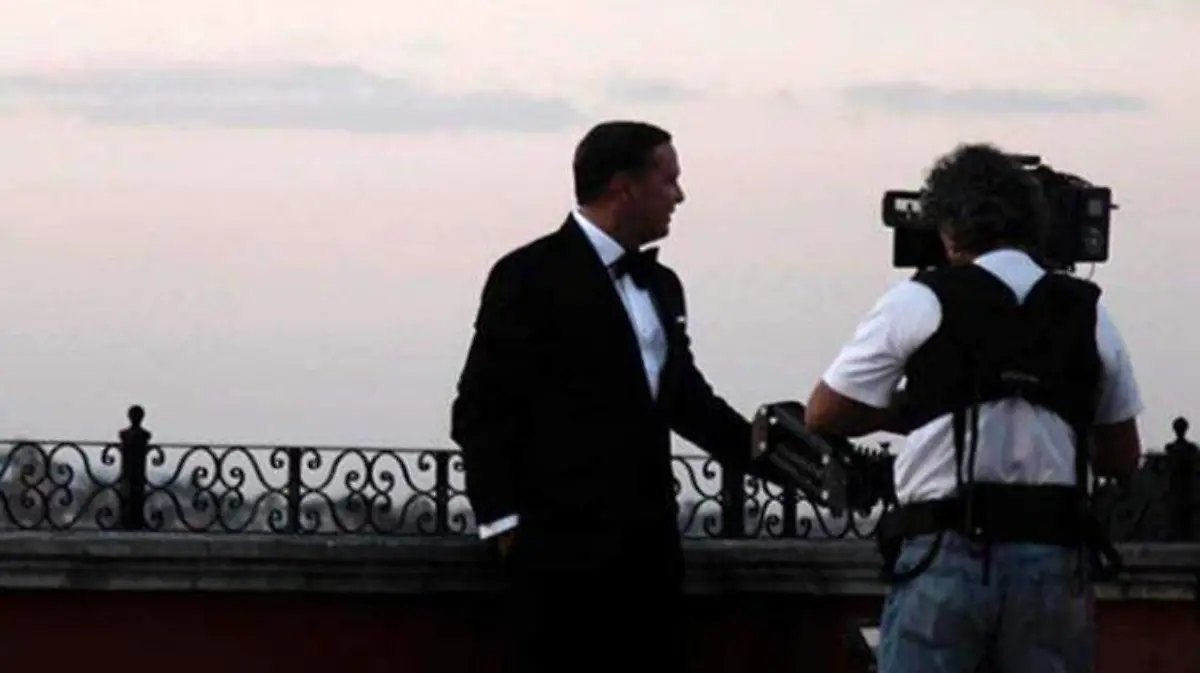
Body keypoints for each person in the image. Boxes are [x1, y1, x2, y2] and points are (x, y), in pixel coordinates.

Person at [450, 120, 780, 673]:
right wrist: (505, 526)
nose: (679, 195)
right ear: (623, 187)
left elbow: (688, 403)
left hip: (649, 560)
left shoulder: (662, 285)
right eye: (668, 180)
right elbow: (480, 407)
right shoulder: (528, 275)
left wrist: (785, 460)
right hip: (559, 561)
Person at [803, 143, 1144, 673]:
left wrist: (913, 411)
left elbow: (826, 412)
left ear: (949, 229)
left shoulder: (921, 299)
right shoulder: (1088, 313)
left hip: (946, 550)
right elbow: (1122, 456)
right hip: (1052, 555)